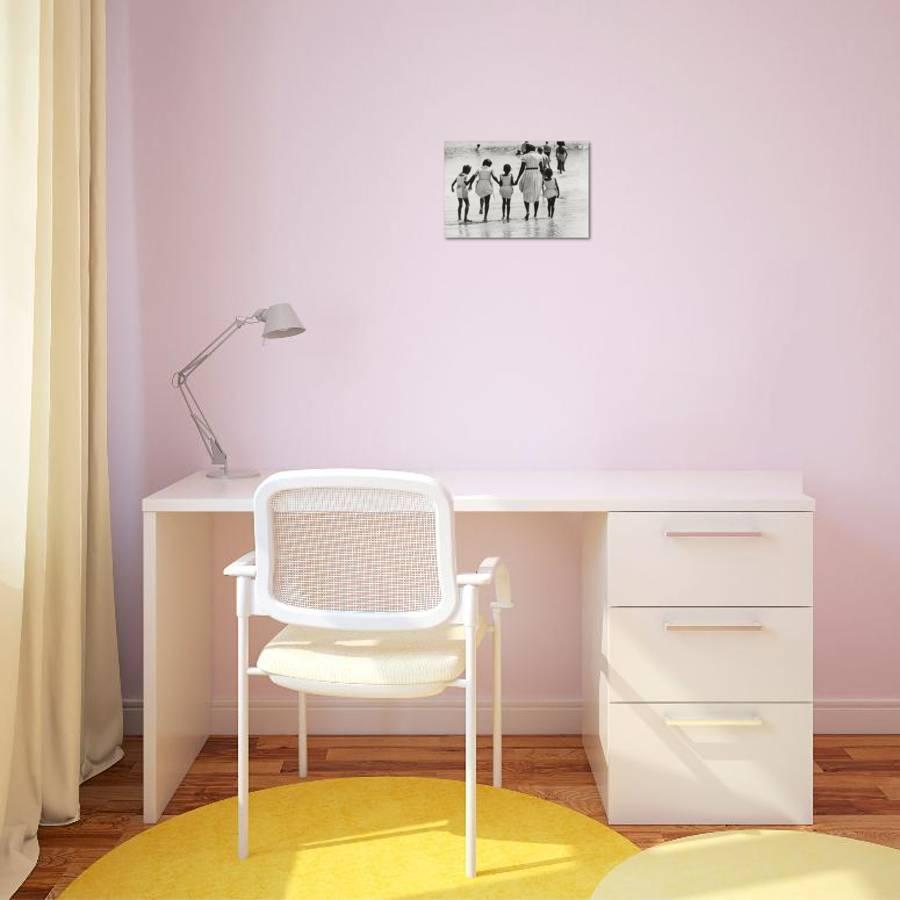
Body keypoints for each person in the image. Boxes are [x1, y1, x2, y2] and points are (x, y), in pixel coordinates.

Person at [516, 143, 542, 219]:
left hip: (528, 173)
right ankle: (535, 214)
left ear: (528, 149)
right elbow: (542, 168)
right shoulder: (539, 156)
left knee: (526, 193)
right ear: (534, 150)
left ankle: (527, 211)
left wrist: (517, 178)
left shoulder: (525, 156)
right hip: (537, 174)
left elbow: (522, 168)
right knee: (536, 194)